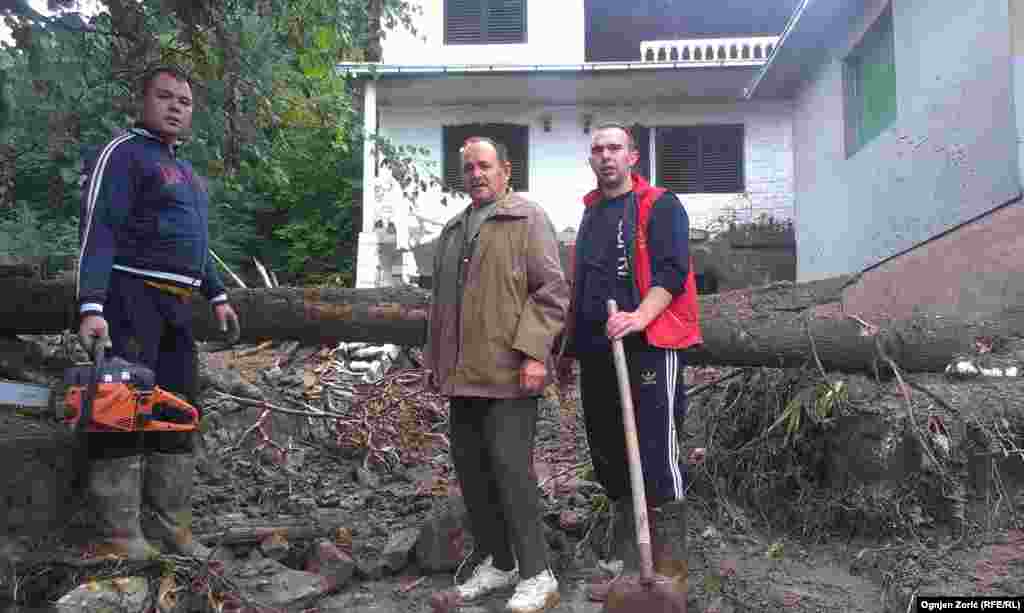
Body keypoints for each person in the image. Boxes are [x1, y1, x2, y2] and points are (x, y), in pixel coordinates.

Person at [77, 66, 240, 559]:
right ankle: (120, 533)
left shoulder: (186, 172)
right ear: (142, 102)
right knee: (121, 409)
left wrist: (217, 294)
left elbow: (195, 245)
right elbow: (98, 228)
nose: (175, 107)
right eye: (165, 97)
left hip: (177, 307)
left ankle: (171, 526)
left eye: (184, 102)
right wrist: (91, 305)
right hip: (130, 298)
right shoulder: (123, 154)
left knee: (179, 407)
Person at [424, 136, 569, 613]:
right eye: (468, 168)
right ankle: (500, 562)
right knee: (473, 473)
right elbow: (441, 308)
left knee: (511, 472)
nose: (476, 175)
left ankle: (538, 574)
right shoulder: (454, 229)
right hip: (463, 376)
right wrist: (435, 363)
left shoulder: (527, 219)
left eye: (485, 166)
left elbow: (550, 292)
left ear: (506, 170)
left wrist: (533, 355)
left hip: (509, 374)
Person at [560, 123, 702, 601]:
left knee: (657, 455)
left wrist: (638, 317)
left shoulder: (660, 205)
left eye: (614, 148)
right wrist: (568, 349)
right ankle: (630, 568)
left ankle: (670, 570)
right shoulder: (592, 212)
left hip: (649, 346)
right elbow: (582, 285)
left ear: (633, 157)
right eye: (597, 150)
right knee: (610, 458)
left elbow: (673, 272)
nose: (606, 157)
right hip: (598, 353)